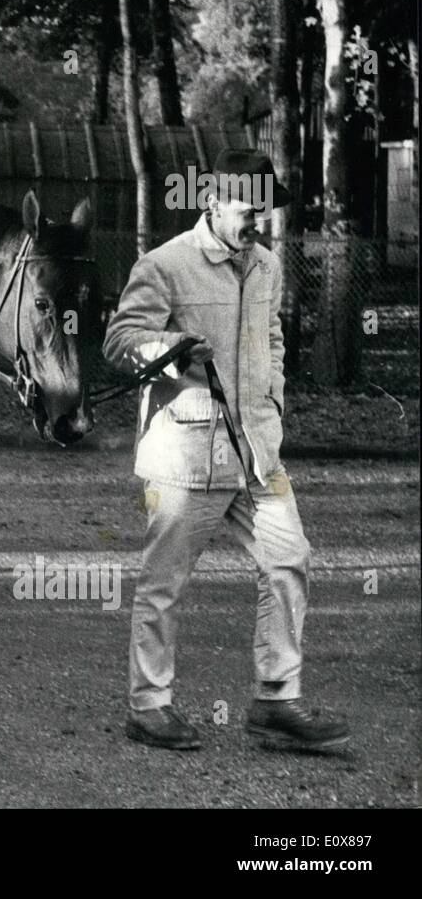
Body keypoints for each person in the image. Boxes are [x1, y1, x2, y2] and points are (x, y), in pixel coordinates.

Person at [103, 148, 349, 753]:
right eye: (248, 209)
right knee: (165, 583)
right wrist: (173, 349)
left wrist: (275, 406)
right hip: (186, 454)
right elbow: (117, 341)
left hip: (258, 453)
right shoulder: (165, 265)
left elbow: (272, 338)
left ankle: (276, 701)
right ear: (211, 202)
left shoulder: (264, 265)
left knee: (290, 558)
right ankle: (149, 705)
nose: (258, 222)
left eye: (264, 211)